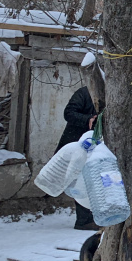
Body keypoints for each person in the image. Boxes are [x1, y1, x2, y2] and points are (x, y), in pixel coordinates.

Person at [55, 86, 101, 231]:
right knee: (82, 182)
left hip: (96, 147)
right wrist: (88, 119)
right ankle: (84, 220)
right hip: (76, 144)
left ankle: (90, 218)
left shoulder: (115, 92)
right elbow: (68, 113)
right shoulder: (85, 92)